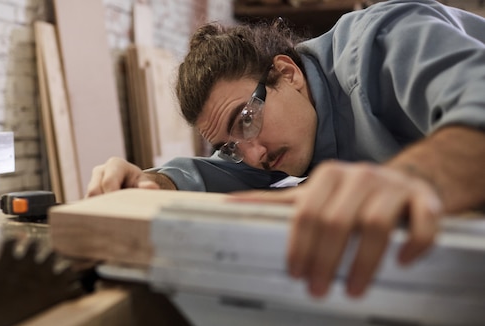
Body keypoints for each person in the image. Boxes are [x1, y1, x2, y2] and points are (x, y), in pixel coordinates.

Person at [87, 0, 485, 298]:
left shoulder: (380, 41)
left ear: (287, 74)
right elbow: (213, 172)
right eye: (230, 145)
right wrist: (151, 182)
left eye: (246, 119)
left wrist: (413, 178)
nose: (253, 154)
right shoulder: (266, 143)